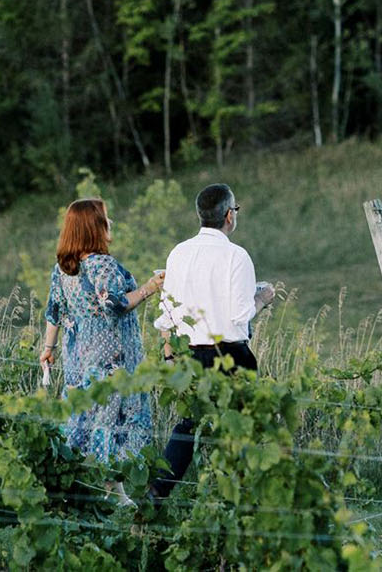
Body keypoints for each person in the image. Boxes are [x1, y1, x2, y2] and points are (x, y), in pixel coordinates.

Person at [148, 183, 276, 502]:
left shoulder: (179, 252)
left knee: (189, 426)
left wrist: (169, 355)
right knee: (243, 427)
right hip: (229, 354)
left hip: (188, 353)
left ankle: (157, 491)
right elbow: (240, 316)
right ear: (229, 216)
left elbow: (168, 312)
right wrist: (264, 297)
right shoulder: (237, 256)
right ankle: (242, 496)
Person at [38, 198, 164, 468]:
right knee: (109, 424)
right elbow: (115, 305)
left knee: (84, 422)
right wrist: (150, 287)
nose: (111, 223)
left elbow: (54, 311)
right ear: (94, 226)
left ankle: (91, 486)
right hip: (110, 361)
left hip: (78, 362)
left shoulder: (62, 268)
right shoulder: (102, 265)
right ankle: (109, 488)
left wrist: (49, 349)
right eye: (106, 218)